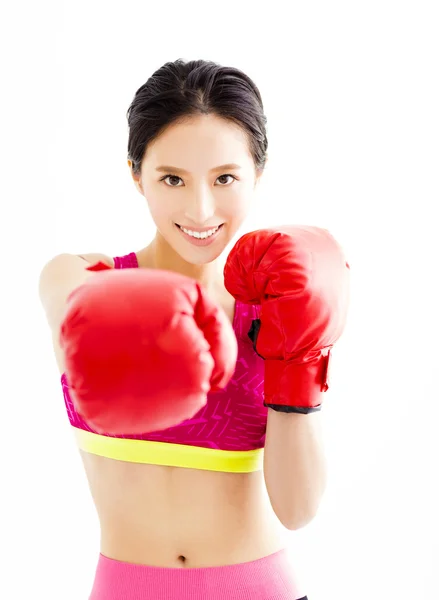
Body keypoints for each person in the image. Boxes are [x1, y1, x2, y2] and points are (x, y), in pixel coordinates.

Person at [39, 58, 349, 599]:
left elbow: (298, 510)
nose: (201, 208)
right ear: (136, 174)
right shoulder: (81, 279)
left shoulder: (278, 305)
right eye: (172, 179)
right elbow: (73, 310)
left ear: (258, 174)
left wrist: (301, 359)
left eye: (225, 177)